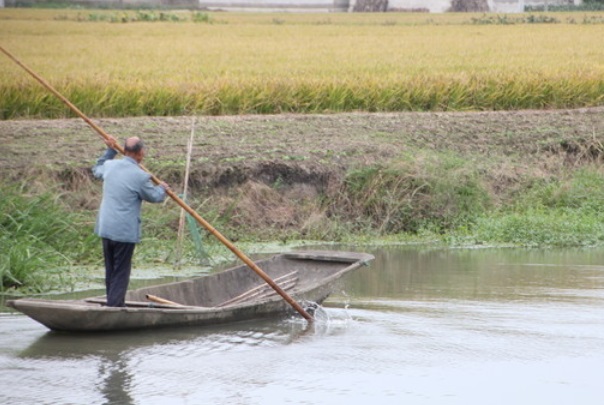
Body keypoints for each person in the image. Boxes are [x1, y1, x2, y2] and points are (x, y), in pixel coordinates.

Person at [92, 136, 170, 307]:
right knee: (121, 271)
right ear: (140, 153)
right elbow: (155, 197)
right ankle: (115, 307)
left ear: (125, 151)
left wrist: (110, 151)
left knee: (111, 268)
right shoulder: (140, 176)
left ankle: (112, 303)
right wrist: (162, 188)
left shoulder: (110, 166)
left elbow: (96, 169)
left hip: (106, 226)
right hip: (124, 231)